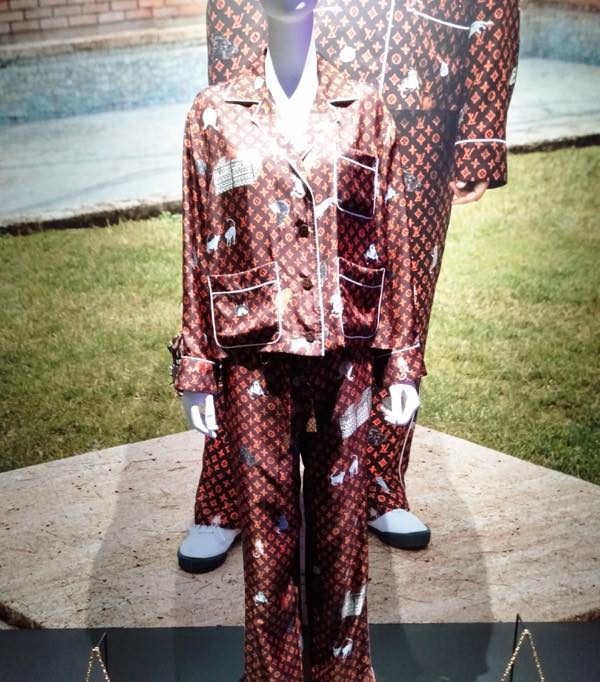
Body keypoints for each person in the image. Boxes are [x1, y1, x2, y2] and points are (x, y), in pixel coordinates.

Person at [177, 0, 520, 574]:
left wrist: (480, 134)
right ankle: (227, 493)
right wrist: (234, 98)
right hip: (289, 79)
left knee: (394, 295)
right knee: (248, 304)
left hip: (416, 95)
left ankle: (378, 482)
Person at [171, 0, 425, 682]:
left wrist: (402, 359)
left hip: (346, 350)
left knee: (343, 533)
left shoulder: (363, 108)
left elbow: (393, 234)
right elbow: (197, 243)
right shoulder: (215, 113)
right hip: (255, 353)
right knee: (268, 534)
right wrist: (197, 363)